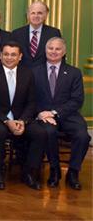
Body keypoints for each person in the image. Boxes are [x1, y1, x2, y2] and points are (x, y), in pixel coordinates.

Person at [0, 42, 45, 190]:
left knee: (40, 133)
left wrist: (22, 121)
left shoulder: (27, 73)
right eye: (6, 54)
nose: (9, 58)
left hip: (22, 117)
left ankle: (30, 172)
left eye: (13, 55)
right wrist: (7, 121)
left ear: (20, 57)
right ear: (0, 56)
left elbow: (31, 102)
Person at [32, 37, 89, 190]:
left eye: (57, 49)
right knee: (49, 132)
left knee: (83, 136)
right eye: (50, 48)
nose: (53, 52)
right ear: (45, 50)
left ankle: (73, 171)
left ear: (64, 52)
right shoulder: (34, 72)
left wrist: (55, 112)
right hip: (43, 116)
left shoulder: (74, 72)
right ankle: (54, 170)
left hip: (68, 114)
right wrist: (40, 113)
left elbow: (77, 100)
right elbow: (29, 97)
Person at [11, 1, 63, 67]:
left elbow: (60, 57)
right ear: (28, 15)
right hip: (22, 75)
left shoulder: (54, 33)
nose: (36, 16)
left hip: (44, 75)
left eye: (40, 13)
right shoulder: (16, 34)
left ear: (46, 15)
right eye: (33, 13)